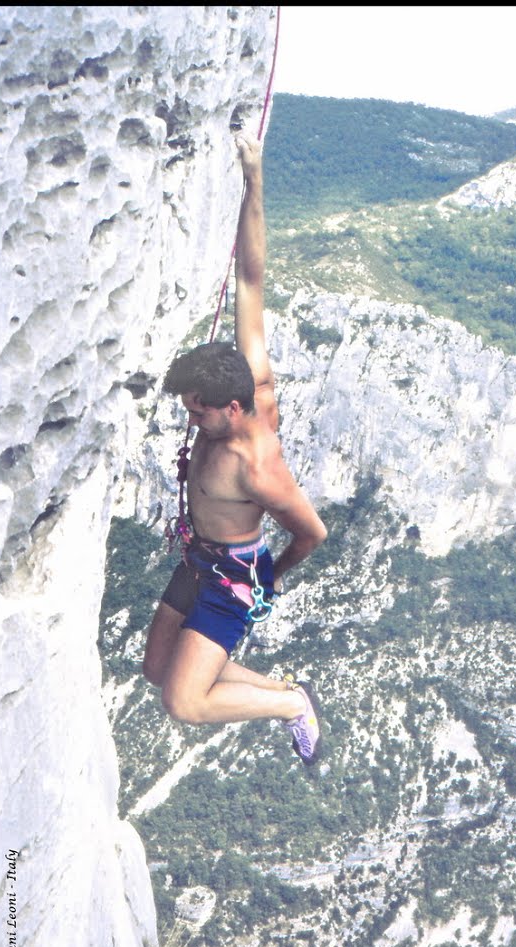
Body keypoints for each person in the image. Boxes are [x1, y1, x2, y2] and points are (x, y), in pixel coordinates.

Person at [142, 131, 327, 765]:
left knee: (185, 702)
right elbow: (252, 276)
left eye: (198, 410)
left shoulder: (258, 466)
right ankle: (281, 688)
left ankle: (289, 703)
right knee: (156, 669)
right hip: (200, 556)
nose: (190, 418)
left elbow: (312, 533)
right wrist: (254, 180)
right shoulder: (247, 372)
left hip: (232, 578)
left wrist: (267, 580)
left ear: (234, 408)